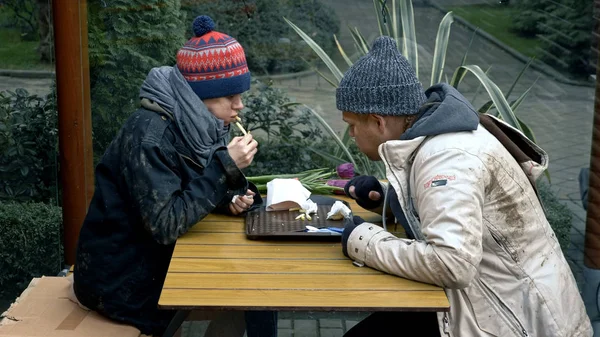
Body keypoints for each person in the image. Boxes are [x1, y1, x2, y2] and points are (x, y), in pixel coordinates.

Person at [337, 36, 592, 337]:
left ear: (379, 122)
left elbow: (451, 263)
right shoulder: (442, 137)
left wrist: (363, 241)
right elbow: (458, 212)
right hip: (494, 304)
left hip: (518, 323)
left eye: (352, 125)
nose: (351, 134)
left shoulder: (447, 158)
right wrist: (388, 201)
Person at [73, 15, 277, 337]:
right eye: (229, 96)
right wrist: (225, 166)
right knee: (253, 294)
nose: (239, 105)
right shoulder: (149, 136)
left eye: (241, 93)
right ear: (197, 94)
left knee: (259, 291)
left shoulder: (199, 123)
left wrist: (230, 198)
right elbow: (166, 223)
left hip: (154, 261)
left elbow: (186, 185)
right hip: (121, 280)